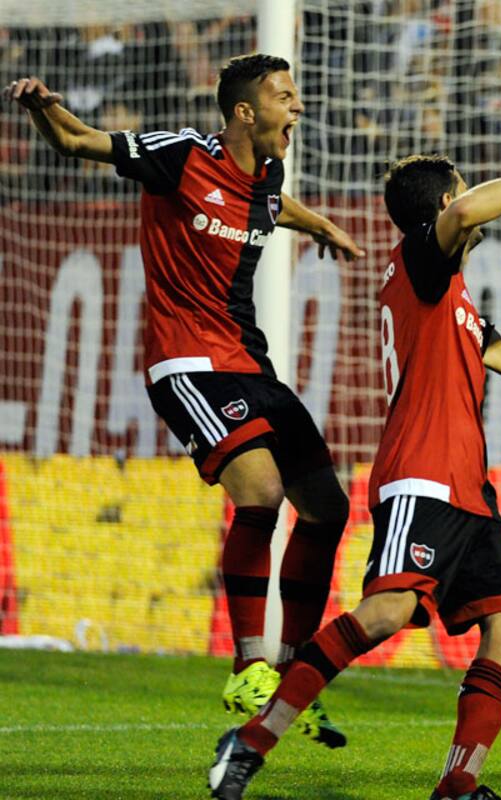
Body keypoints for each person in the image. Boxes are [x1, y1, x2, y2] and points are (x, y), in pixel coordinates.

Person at [207, 148, 501, 800]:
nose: (472, 201)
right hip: (423, 474)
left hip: (468, 487)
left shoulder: (450, 293)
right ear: (446, 205)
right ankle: (252, 739)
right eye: (464, 189)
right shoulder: (421, 257)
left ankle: (459, 782)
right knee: (389, 610)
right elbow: (470, 212)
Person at [5, 55, 365, 746]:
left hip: (248, 361)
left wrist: (318, 225)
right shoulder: (180, 155)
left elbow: (272, 206)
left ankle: (292, 673)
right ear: (245, 112)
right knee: (261, 492)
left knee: (328, 507)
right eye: (284, 97)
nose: (297, 107)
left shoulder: (268, 175)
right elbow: (78, 141)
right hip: (188, 363)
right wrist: (42, 105)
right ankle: (248, 666)